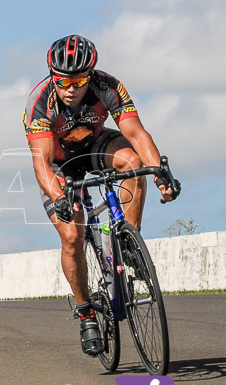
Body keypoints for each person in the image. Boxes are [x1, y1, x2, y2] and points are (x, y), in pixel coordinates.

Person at [24, 34, 179, 356]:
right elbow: (41, 163)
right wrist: (60, 198)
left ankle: (127, 240)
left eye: (79, 80)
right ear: (53, 76)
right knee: (71, 235)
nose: (70, 88)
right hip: (59, 162)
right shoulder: (40, 101)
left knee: (132, 163)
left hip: (95, 146)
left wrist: (160, 172)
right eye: (63, 80)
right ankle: (85, 312)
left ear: (90, 75)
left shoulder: (108, 86)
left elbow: (135, 132)